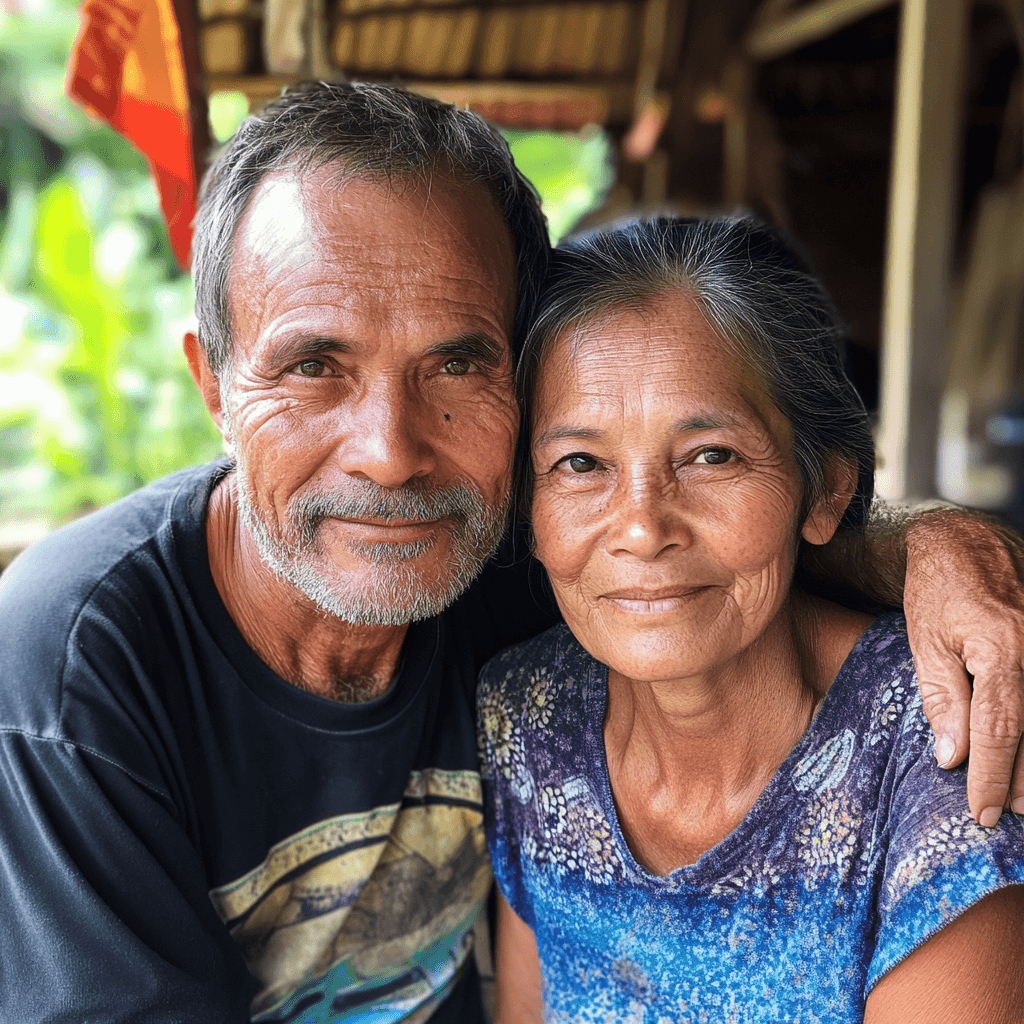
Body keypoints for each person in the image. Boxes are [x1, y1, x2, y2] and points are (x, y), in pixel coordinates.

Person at [0, 82, 1020, 1024]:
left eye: (456, 361)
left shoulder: (507, 549)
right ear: (215, 388)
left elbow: (713, 534)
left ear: (522, 394)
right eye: (314, 365)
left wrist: (932, 549)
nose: (392, 454)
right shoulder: (80, 662)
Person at [478, 215, 1024, 1024]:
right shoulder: (527, 718)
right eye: (581, 464)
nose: (641, 526)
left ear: (826, 490)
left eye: (712, 456)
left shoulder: (943, 741)